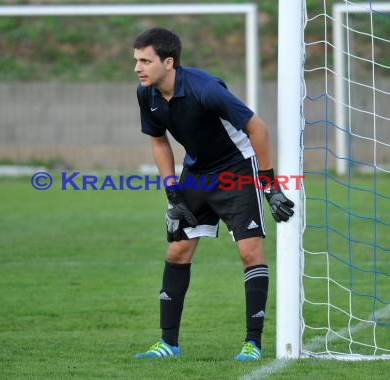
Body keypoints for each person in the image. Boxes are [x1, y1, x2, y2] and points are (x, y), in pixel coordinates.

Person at [132, 27, 294, 361]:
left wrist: (268, 185)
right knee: (177, 252)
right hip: (197, 173)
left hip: (236, 169)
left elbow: (257, 128)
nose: (138, 67)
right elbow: (158, 139)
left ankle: (252, 343)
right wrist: (172, 192)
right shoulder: (145, 94)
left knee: (250, 253)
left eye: (145, 60)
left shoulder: (205, 88)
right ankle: (168, 344)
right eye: (136, 60)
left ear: (169, 61)